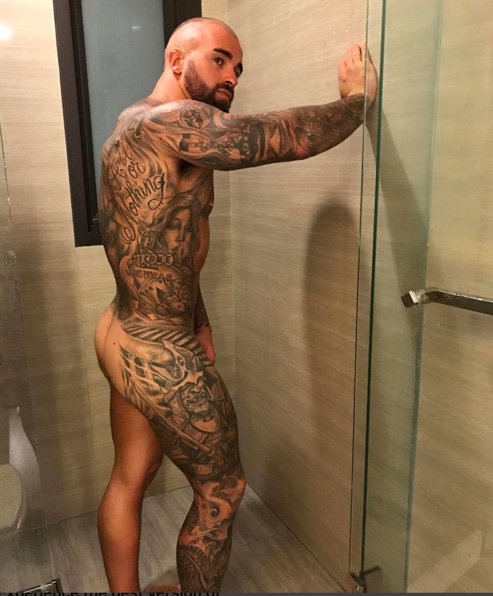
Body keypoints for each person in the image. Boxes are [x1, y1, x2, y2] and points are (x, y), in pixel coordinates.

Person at [94, 16, 378, 592]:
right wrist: (357, 103)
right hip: (156, 347)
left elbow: (164, 247)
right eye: (219, 59)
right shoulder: (170, 121)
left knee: (131, 474)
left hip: (125, 326)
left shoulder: (134, 124)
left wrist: (198, 318)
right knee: (222, 490)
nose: (232, 76)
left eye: (239, 67)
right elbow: (283, 136)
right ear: (177, 61)